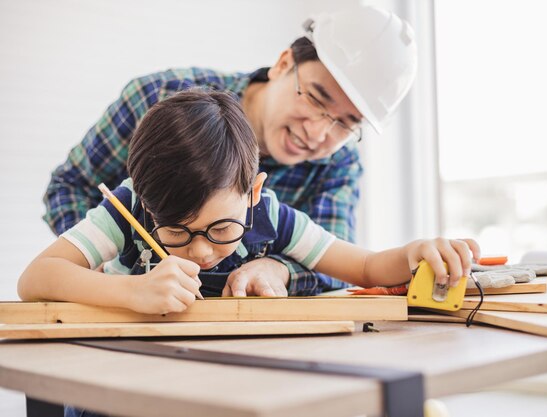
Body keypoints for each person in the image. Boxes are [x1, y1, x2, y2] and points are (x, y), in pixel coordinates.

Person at [42, 5, 419, 296]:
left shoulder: (335, 165)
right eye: (316, 98)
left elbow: (344, 263)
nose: (319, 132)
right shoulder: (158, 100)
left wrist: (280, 269)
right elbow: (70, 188)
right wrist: (103, 278)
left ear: (255, 190)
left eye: (346, 123)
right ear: (285, 63)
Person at [20, 89, 479, 314]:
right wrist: (131, 290)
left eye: (221, 230)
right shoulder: (129, 206)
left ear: (254, 190)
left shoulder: (270, 214)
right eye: (176, 231)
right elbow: (36, 278)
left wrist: (416, 253)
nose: (201, 251)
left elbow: (365, 268)